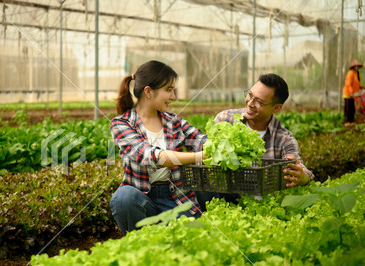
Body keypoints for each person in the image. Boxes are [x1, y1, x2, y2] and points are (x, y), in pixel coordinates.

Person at [110, 60, 207, 236]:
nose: (173, 96)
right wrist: (199, 156)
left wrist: (222, 146)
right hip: (143, 199)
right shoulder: (121, 124)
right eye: (168, 90)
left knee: (190, 240)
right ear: (148, 91)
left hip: (176, 197)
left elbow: (199, 139)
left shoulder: (173, 121)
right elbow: (152, 157)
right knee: (123, 197)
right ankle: (137, 245)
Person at [197, 73, 314, 211]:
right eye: (250, 95)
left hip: (260, 205)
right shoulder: (225, 120)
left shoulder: (284, 139)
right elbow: (206, 158)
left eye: (259, 101)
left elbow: (303, 170)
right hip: (224, 196)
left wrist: (302, 178)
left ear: (276, 108)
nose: (250, 103)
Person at [343, 59, 364, 124]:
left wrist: (361, 87)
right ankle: (347, 122)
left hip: (353, 94)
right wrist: (351, 92)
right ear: (353, 67)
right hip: (348, 94)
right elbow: (348, 84)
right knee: (348, 108)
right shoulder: (350, 73)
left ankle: (351, 121)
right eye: (356, 66)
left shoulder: (357, 74)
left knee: (352, 109)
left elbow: (356, 83)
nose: (357, 67)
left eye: (358, 66)